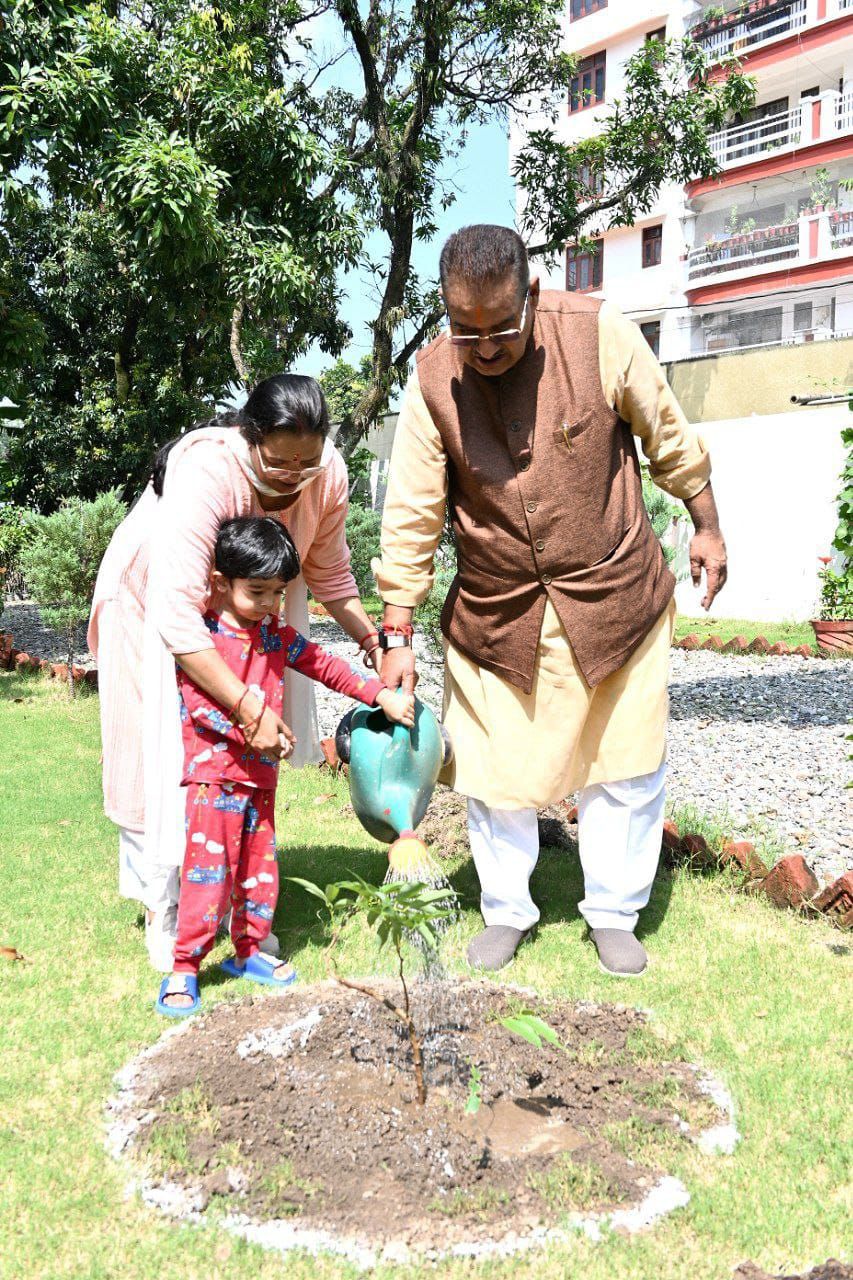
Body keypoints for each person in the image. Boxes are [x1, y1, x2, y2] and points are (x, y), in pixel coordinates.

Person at [375, 224, 728, 978]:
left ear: (530, 294)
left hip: (613, 596)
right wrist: (396, 629)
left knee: (622, 767)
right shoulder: (433, 377)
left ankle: (612, 913)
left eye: (500, 326)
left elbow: (667, 434)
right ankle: (505, 909)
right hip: (496, 614)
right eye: (464, 331)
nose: (485, 346)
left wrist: (706, 526)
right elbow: (409, 509)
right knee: (490, 775)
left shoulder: (597, 332)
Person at [88, 375, 385, 971]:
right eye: (278, 464)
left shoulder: (323, 474)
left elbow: (329, 571)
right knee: (163, 755)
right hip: (154, 603)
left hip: (245, 617)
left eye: (305, 464)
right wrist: (249, 707)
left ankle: (229, 903)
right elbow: (178, 612)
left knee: (238, 774)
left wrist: (376, 643)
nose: (291, 478)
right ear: (248, 438)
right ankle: (164, 907)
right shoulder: (208, 471)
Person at [157, 516, 414, 1015]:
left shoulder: (275, 634)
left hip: (260, 779)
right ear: (219, 583)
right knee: (208, 874)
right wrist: (259, 729)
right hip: (213, 780)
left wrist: (380, 693)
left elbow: (326, 665)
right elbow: (202, 707)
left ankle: (250, 950)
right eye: (258, 592)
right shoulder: (202, 643)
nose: (272, 605)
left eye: (279, 593)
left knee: (259, 867)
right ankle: (185, 966)